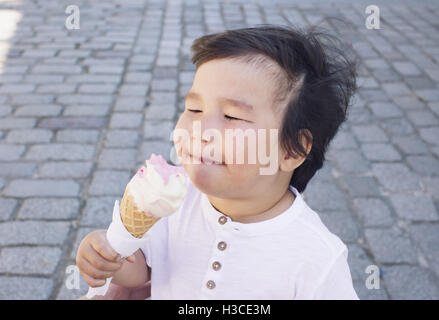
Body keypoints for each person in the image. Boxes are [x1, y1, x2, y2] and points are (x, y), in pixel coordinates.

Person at [77, 25, 359, 299]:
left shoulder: (317, 259)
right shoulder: (173, 202)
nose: (202, 129)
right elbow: (142, 271)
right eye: (194, 108)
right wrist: (108, 254)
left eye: (232, 116)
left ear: (291, 150)